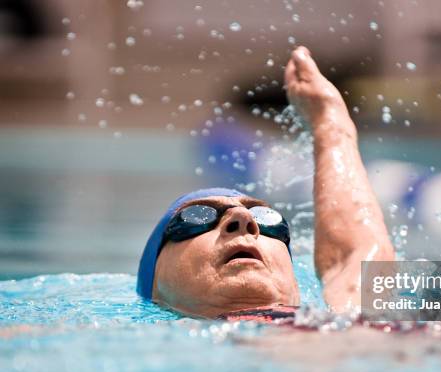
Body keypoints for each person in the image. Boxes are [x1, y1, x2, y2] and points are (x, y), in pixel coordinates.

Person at [137, 46, 395, 319]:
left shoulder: (351, 318)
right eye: (199, 216)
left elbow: (353, 263)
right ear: (154, 284)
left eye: (267, 218)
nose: (242, 218)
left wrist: (330, 123)